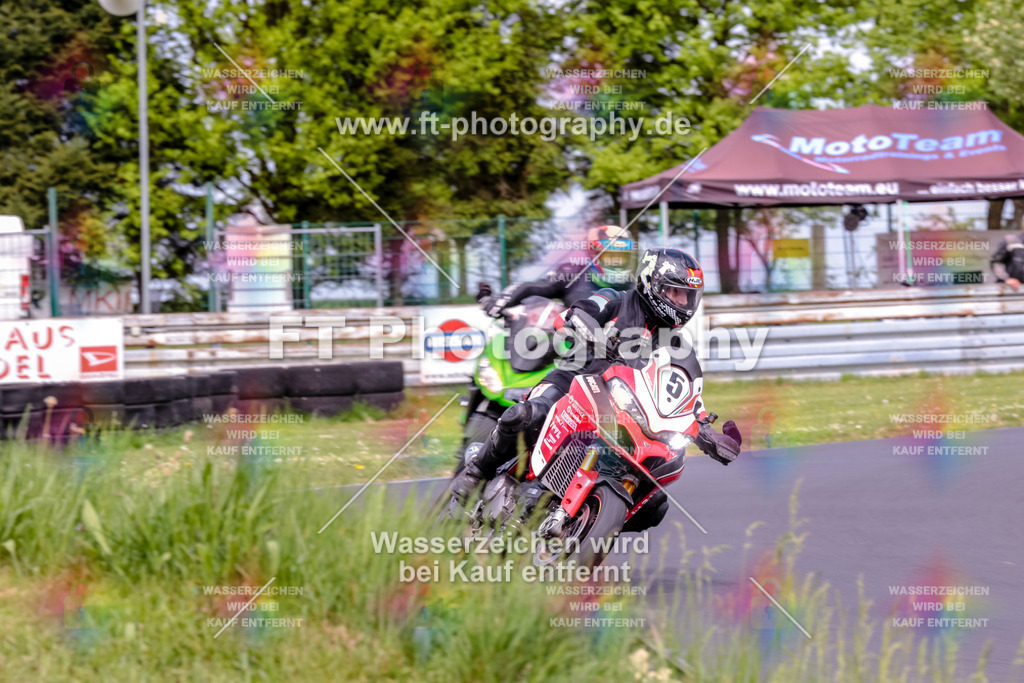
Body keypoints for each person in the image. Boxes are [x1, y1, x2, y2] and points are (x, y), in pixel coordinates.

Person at [451, 247, 743, 524]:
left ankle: (586, 519)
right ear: (652, 283)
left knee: (655, 505)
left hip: (619, 406)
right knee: (528, 414)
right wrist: (583, 322)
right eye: (675, 293)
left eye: (688, 297)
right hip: (573, 377)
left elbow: (689, 397)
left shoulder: (680, 348)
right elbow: (582, 309)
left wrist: (708, 433)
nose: (682, 303)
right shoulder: (616, 300)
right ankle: (477, 471)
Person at [478, 225, 638, 314]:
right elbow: (531, 287)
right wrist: (500, 300)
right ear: (593, 254)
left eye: (622, 256)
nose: (616, 262)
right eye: (609, 255)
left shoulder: (640, 285)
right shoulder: (572, 274)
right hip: (574, 355)